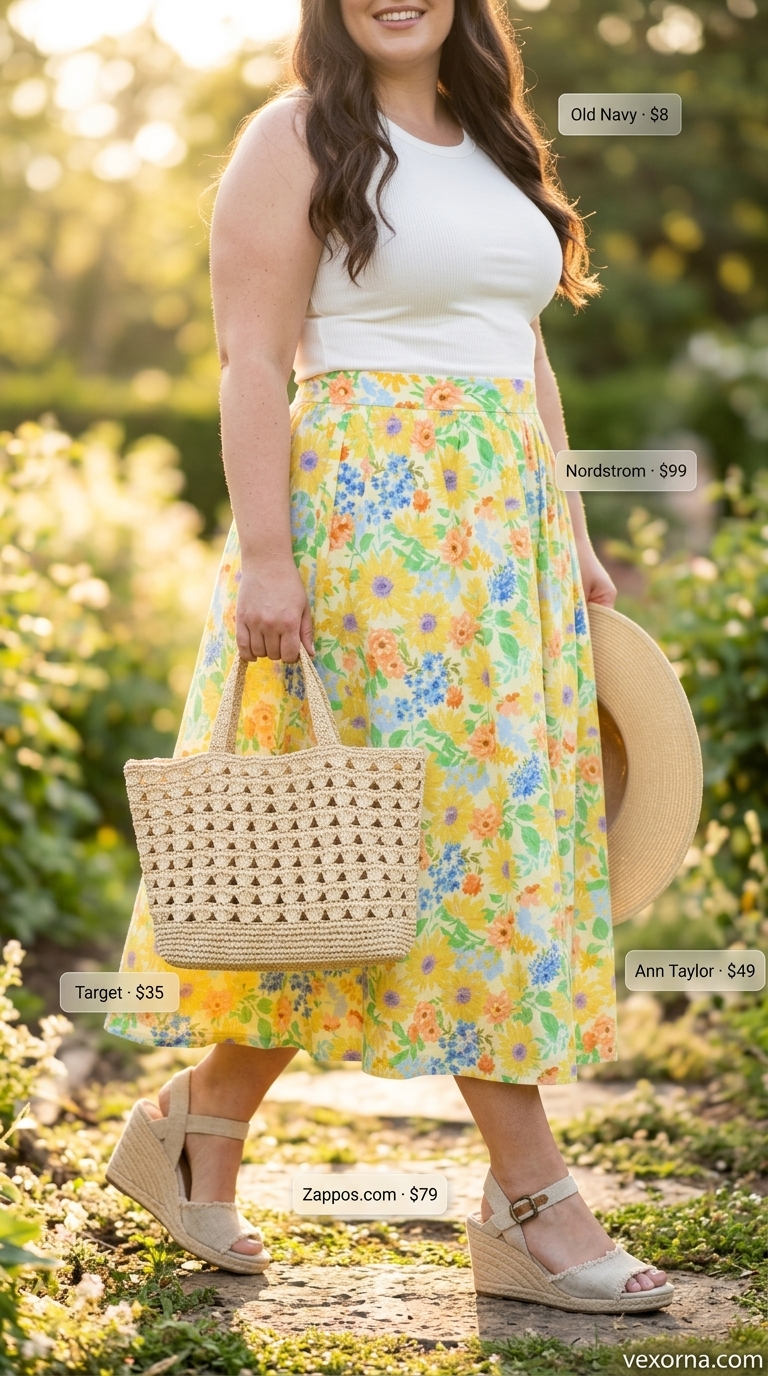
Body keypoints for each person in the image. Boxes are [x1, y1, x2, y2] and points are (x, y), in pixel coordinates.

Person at [105, 0, 673, 1311]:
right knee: (415, 858)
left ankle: (195, 1128)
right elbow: (251, 357)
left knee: (411, 873)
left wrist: (574, 540)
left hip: (502, 549)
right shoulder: (294, 135)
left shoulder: (495, 141)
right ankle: (535, 1206)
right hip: (374, 536)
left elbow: (518, 349)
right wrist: (263, 556)